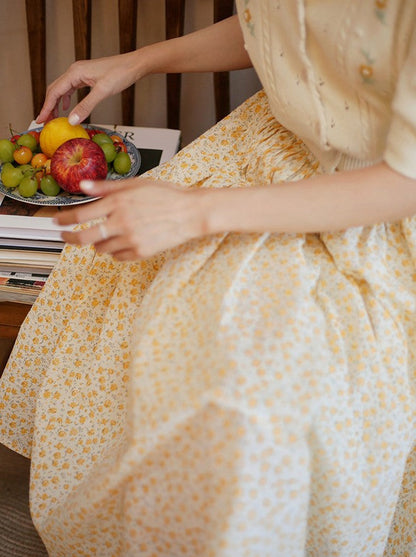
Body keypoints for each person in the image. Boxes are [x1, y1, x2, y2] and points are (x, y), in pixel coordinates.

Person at [1, 1, 416, 555]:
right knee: (111, 269)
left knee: (241, 376)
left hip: (374, 202)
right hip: (273, 142)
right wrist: (140, 60)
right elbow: (281, 25)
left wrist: (193, 212)